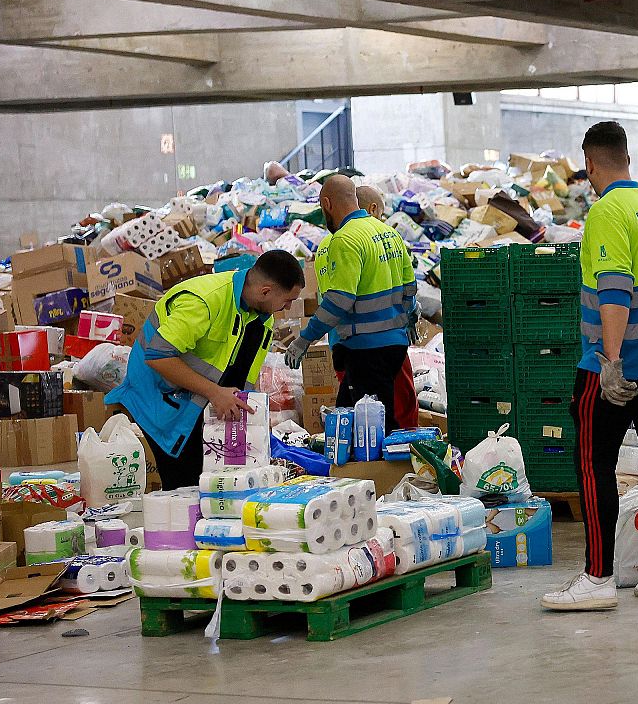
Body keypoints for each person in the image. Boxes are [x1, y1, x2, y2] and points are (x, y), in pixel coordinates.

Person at [543, 121, 638, 612]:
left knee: (593, 466)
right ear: (627, 156)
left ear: (589, 164)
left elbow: (614, 290)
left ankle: (598, 578)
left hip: (616, 365)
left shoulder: (608, 211)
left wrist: (610, 361)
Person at [107, 251, 304, 489]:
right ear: (265, 291)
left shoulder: (262, 319)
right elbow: (157, 356)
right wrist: (214, 393)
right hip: (159, 399)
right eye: (288, 300)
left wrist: (255, 418)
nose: (289, 307)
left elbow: (246, 375)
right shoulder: (204, 301)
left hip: (198, 400)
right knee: (185, 488)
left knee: (219, 485)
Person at [283, 174, 416, 431]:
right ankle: (348, 468)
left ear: (327, 204)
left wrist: (305, 338)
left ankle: (382, 471)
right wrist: (409, 318)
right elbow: (410, 288)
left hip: (366, 349)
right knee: (347, 419)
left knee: (375, 429)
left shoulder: (345, 240)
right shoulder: (388, 234)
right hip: (394, 346)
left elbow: (339, 300)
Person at [355, 184, 421, 429]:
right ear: (373, 209)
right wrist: (411, 312)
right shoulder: (387, 237)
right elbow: (408, 284)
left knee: (364, 412)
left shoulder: (340, 241)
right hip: (388, 340)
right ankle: (402, 452)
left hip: (355, 344)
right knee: (399, 404)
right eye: (381, 213)